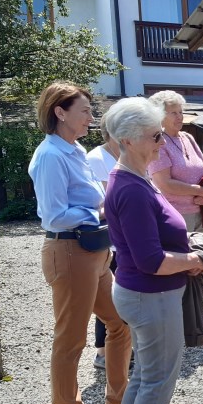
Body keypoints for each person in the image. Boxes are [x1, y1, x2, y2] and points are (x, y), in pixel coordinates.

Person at [104, 96, 203, 404]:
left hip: (144, 292)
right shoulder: (130, 187)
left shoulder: (133, 177)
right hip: (149, 293)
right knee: (157, 378)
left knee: (145, 375)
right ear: (129, 140)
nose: (162, 143)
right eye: (155, 136)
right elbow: (152, 260)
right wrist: (193, 259)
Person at [27, 82, 132, 404]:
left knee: (120, 322)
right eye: (85, 110)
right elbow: (53, 216)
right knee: (71, 339)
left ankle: (117, 403)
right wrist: (98, 210)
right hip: (70, 251)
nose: (92, 117)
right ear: (60, 112)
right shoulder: (51, 156)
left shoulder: (73, 150)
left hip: (93, 250)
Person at [148, 90, 203, 331]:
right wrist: (198, 190)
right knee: (181, 266)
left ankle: (197, 316)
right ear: (159, 115)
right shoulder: (157, 141)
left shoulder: (187, 137)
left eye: (181, 112)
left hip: (199, 210)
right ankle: (177, 322)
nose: (180, 117)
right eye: (173, 113)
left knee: (199, 263)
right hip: (175, 215)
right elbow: (163, 183)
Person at [86, 113, 120, 370]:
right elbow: (106, 202)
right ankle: (102, 351)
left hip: (126, 238)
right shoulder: (97, 159)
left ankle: (122, 347)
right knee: (108, 296)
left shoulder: (124, 155)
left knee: (121, 295)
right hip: (110, 239)